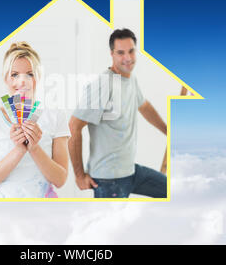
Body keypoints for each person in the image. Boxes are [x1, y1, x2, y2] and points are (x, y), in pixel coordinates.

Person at [68, 28, 167, 198]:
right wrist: (79, 175)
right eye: (121, 53)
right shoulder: (104, 85)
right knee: (114, 225)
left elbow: (144, 106)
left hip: (130, 171)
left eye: (131, 51)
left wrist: (168, 131)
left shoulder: (130, 78)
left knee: (170, 189)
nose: (127, 58)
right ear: (111, 54)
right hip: (108, 180)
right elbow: (74, 126)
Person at [0, 42, 70, 198]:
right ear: (6, 78)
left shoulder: (56, 116)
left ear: (38, 78)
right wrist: (19, 149)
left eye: (30, 74)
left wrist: (34, 148)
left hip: (45, 208)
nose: (23, 81)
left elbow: (60, 180)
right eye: (14, 74)